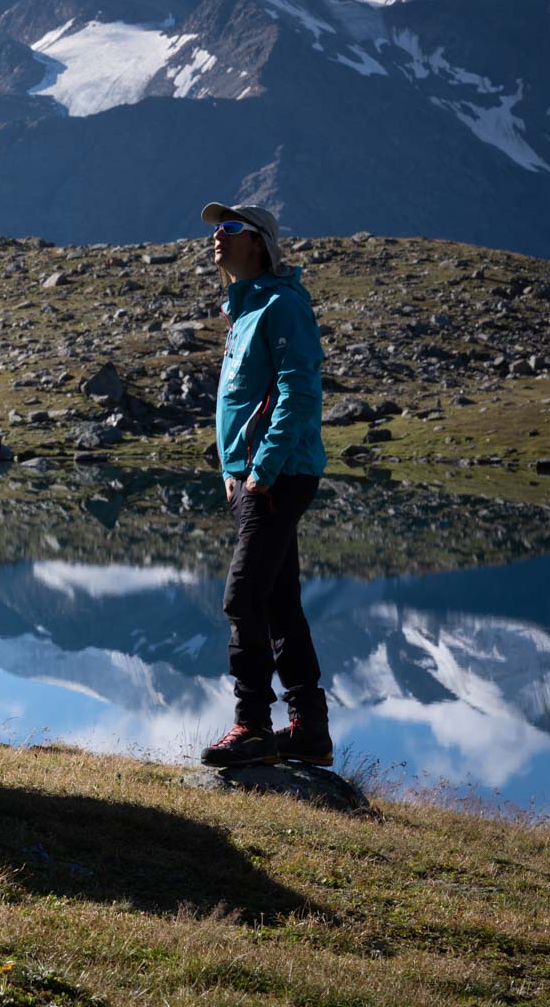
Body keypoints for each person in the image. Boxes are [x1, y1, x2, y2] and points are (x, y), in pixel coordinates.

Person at [197, 202, 332, 768]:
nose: (215, 238)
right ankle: (308, 731)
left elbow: (299, 394)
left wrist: (261, 471)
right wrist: (233, 472)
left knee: (242, 595)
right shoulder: (245, 309)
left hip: (278, 477)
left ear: (259, 242)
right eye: (214, 230)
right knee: (278, 602)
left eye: (228, 229)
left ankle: (252, 726)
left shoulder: (282, 305)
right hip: (253, 479)